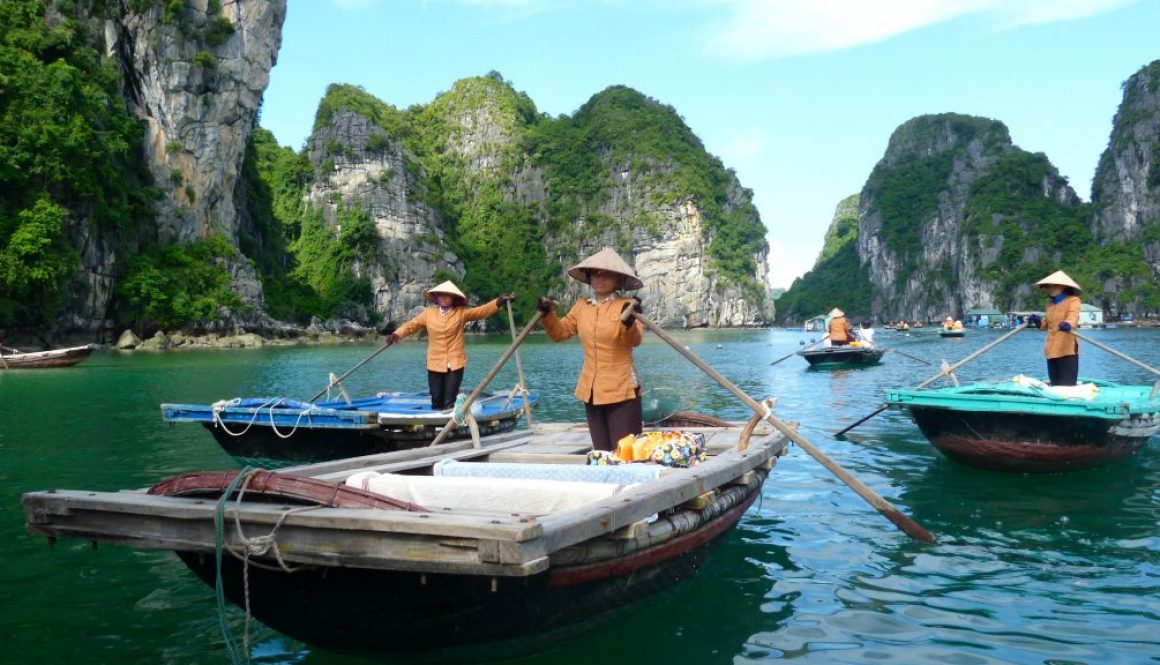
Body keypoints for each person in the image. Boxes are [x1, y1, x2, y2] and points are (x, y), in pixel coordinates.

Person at [537, 247, 644, 451]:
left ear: (618, 280)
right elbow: (559, 333)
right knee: (601, 452)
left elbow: (634, 340)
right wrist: (547, 314)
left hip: (621, 389)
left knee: (626, 452)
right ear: (589, 276)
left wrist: (629, 322)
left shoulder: (627, 305)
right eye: (595, 273)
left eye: (606, 274)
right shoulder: (581, 306)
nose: (599, 277)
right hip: (591, 389)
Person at [388, 281, 514, 410]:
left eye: (447, 295)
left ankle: (449, 426)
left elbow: (480, 312)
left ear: (453, 298)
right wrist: (396, 335)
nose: (444, 298)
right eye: (441, 295)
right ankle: (435, 427)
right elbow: (411, 326)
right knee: (436, 399)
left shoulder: (460, 313)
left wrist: (499, 302)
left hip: (455, 363)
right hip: (435, 362)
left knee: (449, 401)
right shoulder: (429, 314)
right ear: (437, 297)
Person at [1032, 270, 1082, 386]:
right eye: (1047, 287)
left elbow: (1073, 317)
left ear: (1062, 286)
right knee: (1055, 384)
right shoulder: (1050, 304)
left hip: (1067, 350)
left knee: (1066, 386)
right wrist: (1038, 322)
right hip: (1051, 350)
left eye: (1052, 286)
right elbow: (1047, 324)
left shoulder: (1073, 301)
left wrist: (1068, 324)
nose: (1049, 289)